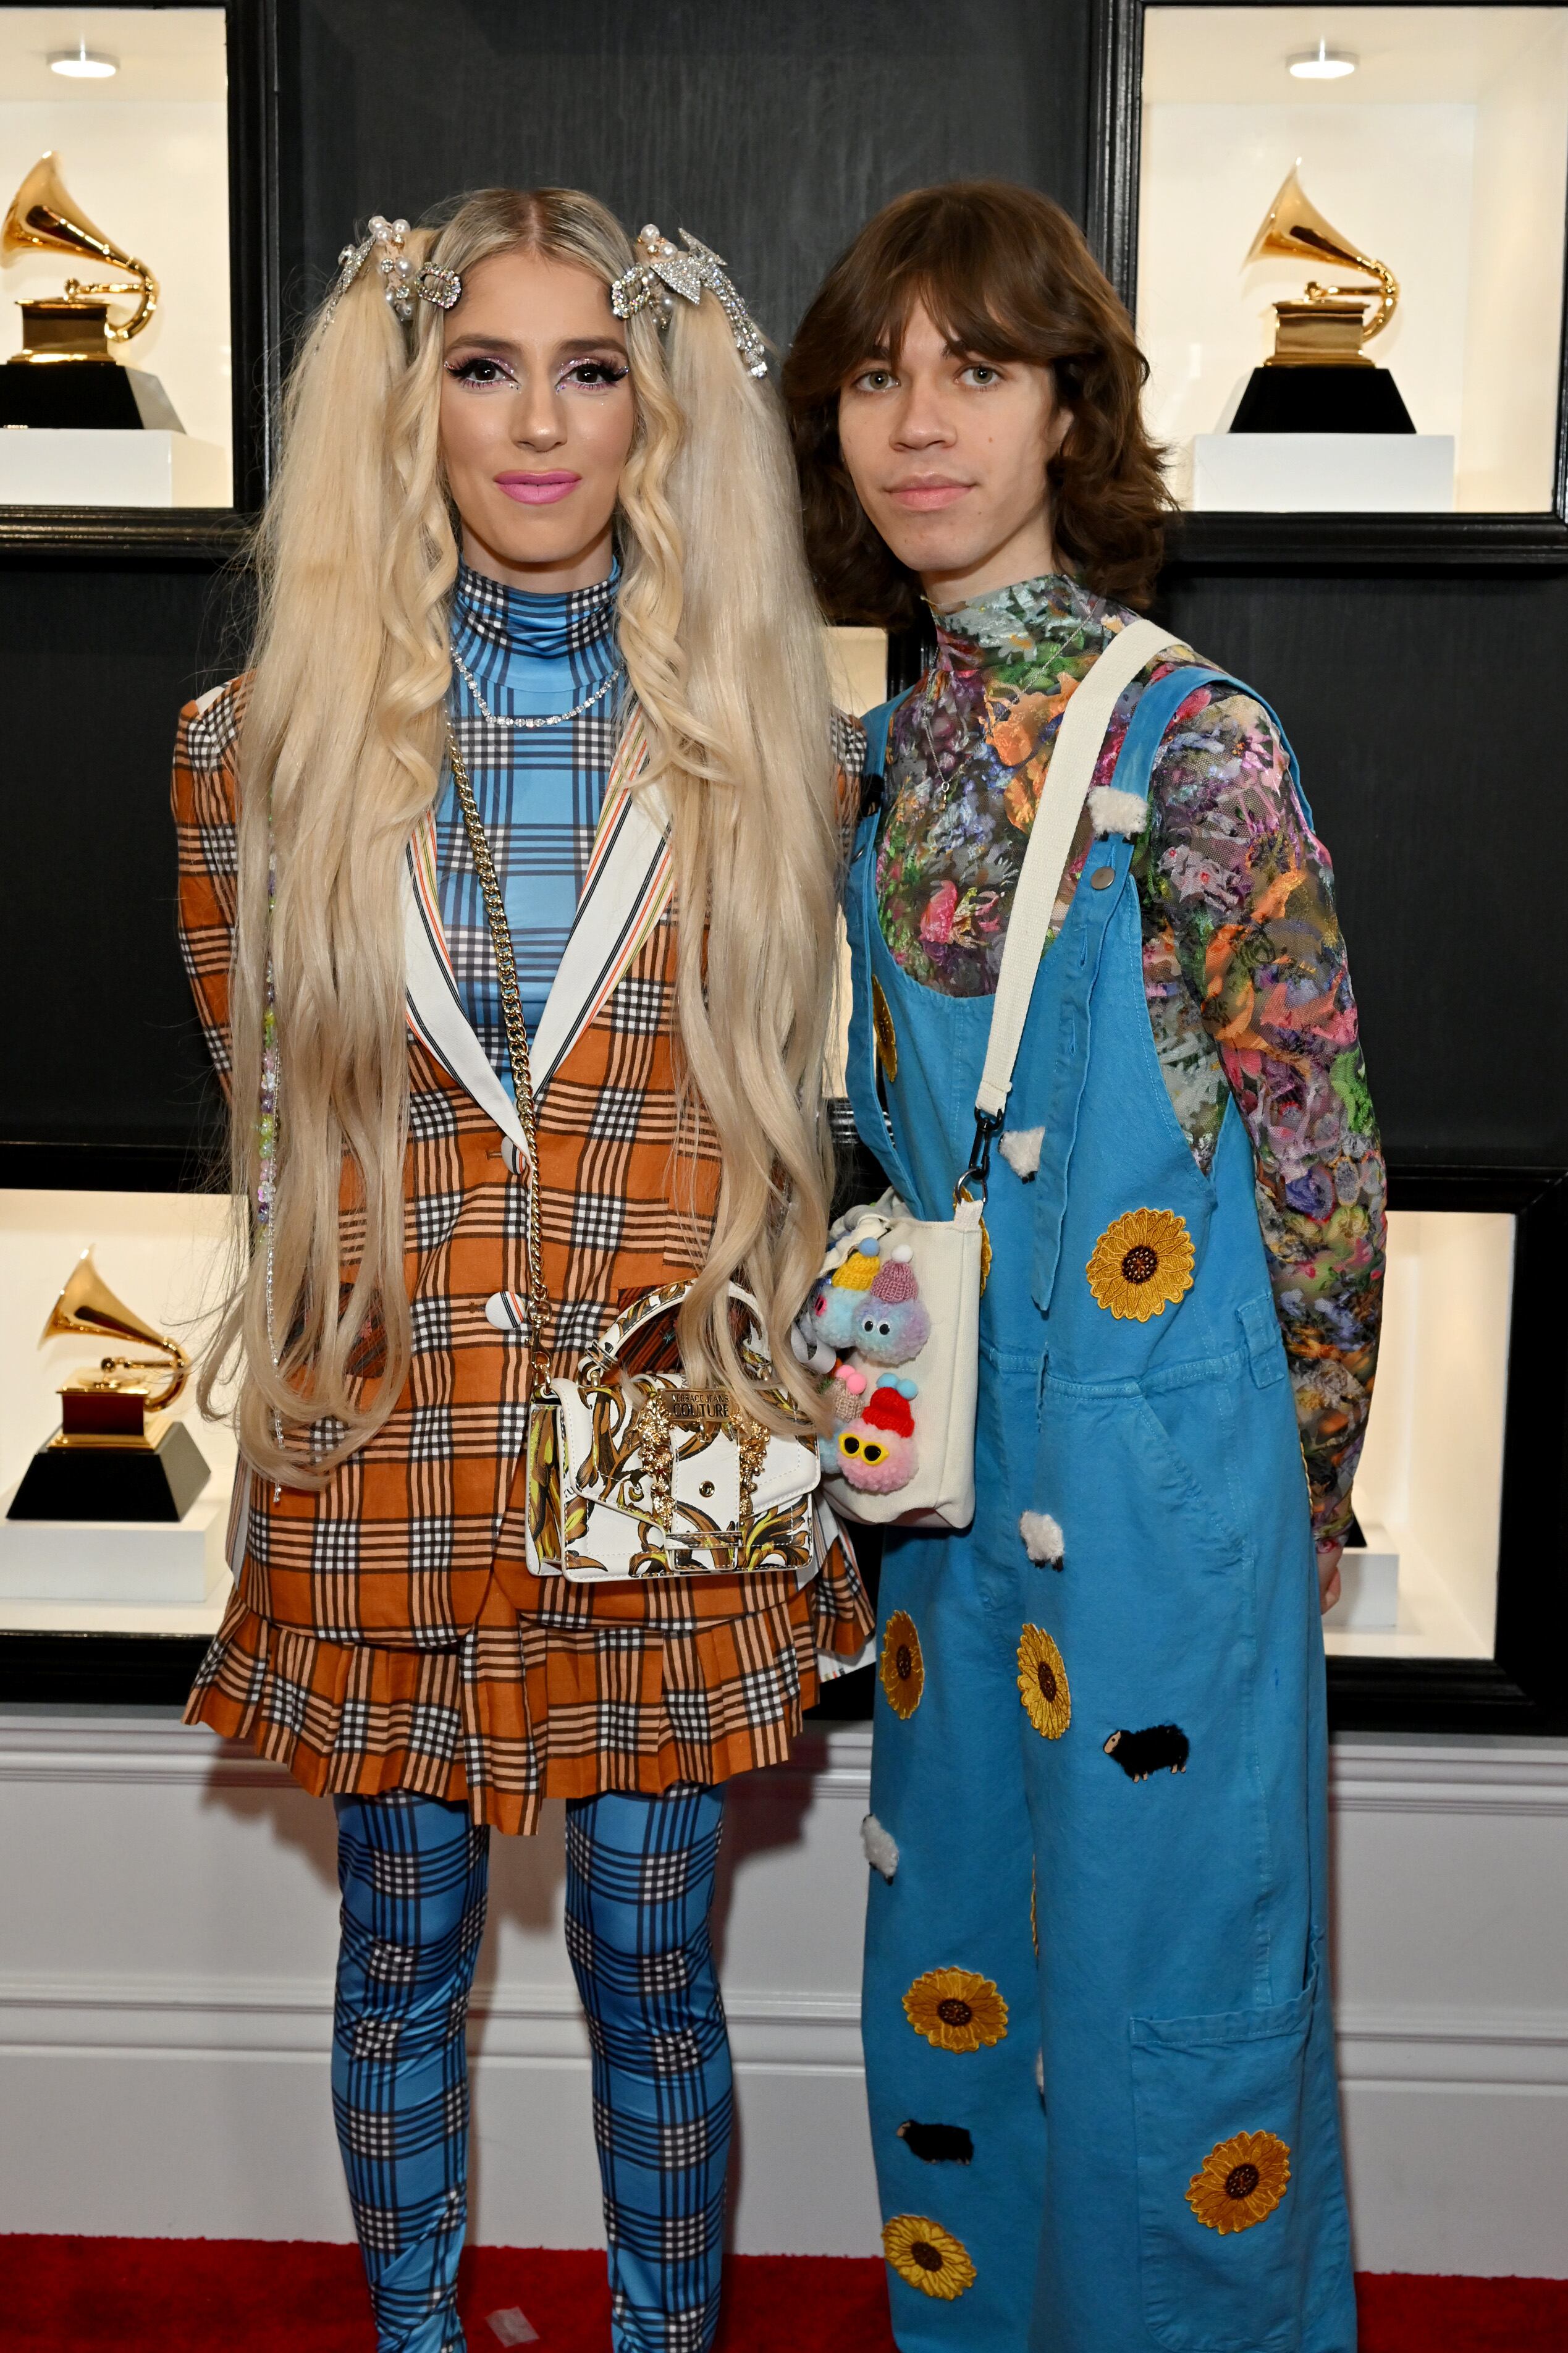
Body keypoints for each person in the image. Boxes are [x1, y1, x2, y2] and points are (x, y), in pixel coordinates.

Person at [172, 187, 872, 2353]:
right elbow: (273, 1122)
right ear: (410, 406)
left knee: (657, 1964)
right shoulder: (245, 752)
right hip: (385, 1431)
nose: (540, 424)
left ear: (658, 417)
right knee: (396, 1942)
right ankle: (415, 2329)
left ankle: (662, 2336)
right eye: (484, 367)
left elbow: (817, 1117)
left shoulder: (780, 746)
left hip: (669, 1447)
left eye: (593, 373)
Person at [783, 180, 1382, 2352]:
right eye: (875, 376)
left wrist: (1303, 1488)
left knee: (1171, 1992)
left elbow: (1317, 1148)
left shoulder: (1194, 743)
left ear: (1067, 417)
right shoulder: (867, 763)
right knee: (950, 1961)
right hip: (944, 1475)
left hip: (1167, 1475)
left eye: (977, 371)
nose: (918, 422)